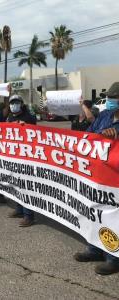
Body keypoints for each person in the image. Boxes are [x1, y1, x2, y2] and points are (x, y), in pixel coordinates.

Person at [73, 82, 119, 275]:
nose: (109, 101)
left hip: (114, 178)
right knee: (95, 211)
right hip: (96, 174)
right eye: (109, 97)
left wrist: (115, 137)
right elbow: (90, 135)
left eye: (113, 98)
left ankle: (114, 258)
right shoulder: (106, 115)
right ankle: (94, 249)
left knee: (113, 215)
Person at [6, 95, 37, 227]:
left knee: (25, 186)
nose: (14, 105)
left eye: (17, 102)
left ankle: (28, 216)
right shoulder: (10, 117)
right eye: (12, 103)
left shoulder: (28, 116)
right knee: (16, 183)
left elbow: (34, 129)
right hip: (14, 155)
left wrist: (23, 125)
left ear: (22, 104)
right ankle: (19, 209)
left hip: (26, 156)